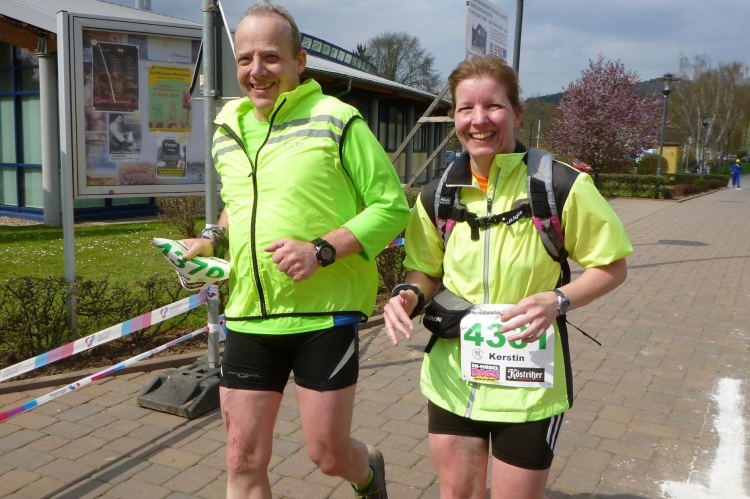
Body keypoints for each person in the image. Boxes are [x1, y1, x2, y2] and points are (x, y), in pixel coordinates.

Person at [181, 3, 409, 498]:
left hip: (323, 316)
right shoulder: (229, 127)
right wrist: (211, 239)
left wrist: (321, 250)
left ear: (299, 61)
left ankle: (368, 472)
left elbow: (391, 208)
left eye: (270, 57)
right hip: (249, 315)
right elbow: (239, 203)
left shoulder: (337, 119)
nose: (256, 70)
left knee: (327, 455)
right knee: (241, 459)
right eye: (245, 59)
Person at [383, 55, 632, 499]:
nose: (478, 120)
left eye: (493, 106)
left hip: (529, 383)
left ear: (517, 114)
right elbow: (425, 271)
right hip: (453, 375)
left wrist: (557, 300)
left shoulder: (561, 186)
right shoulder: (437, 194)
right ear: (455, 118)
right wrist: (407, 296)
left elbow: (612, 266)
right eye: (466, 108)